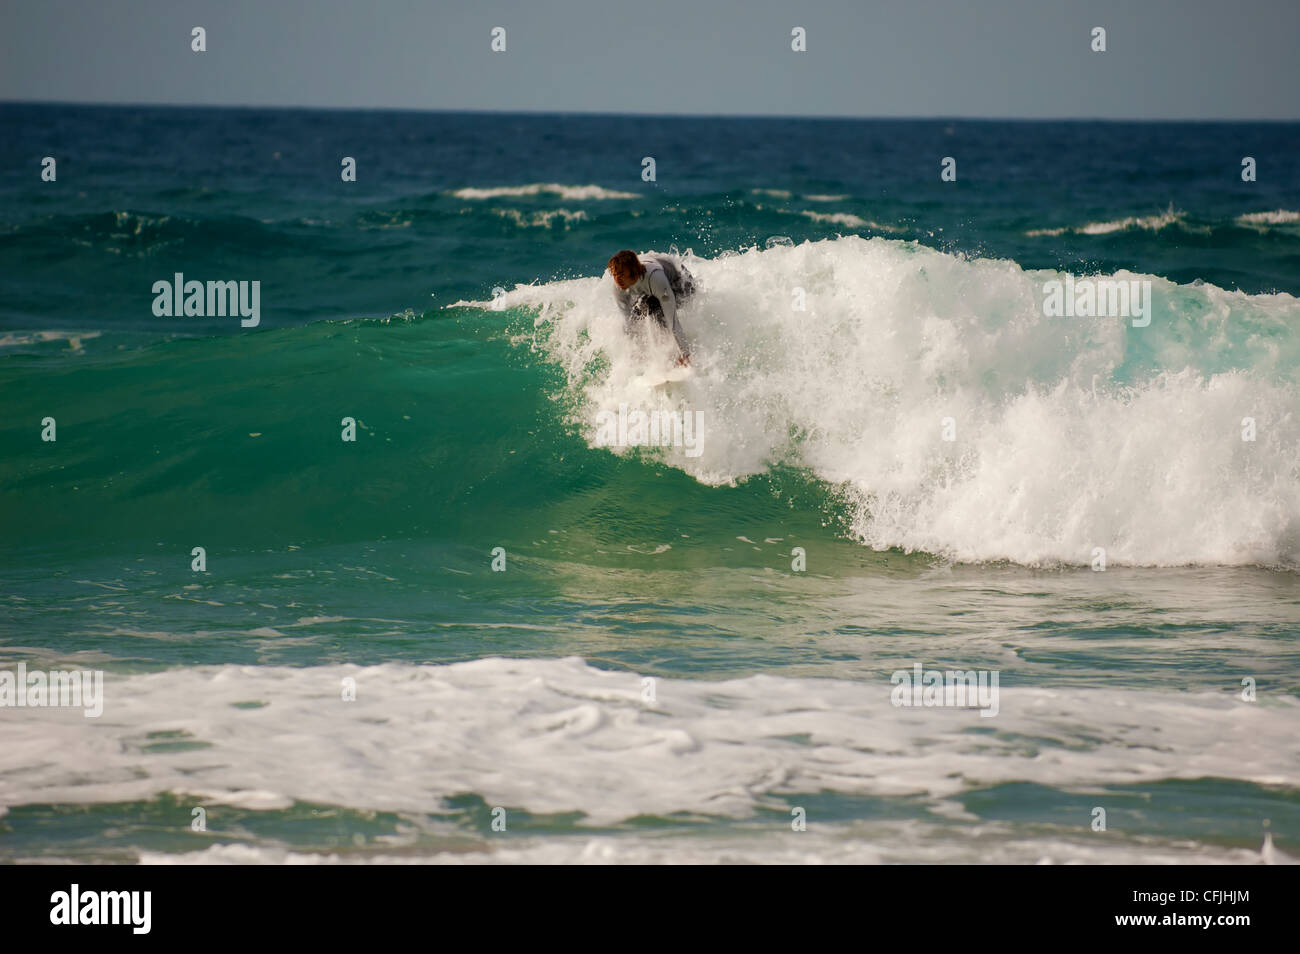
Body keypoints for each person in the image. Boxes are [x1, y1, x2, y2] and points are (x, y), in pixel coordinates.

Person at [607, 250, 695, 365]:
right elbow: (628, 322)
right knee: (638, 311)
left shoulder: (656, 279)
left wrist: (685, 354)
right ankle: (654, 355)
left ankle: (679, 355)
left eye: (621, 274)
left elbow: (672, 320)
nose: (617, 279)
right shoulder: (617, 288)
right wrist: (632, 355)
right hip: (652, 280)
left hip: (680, 281)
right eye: (614, 274)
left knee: (657, 310)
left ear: (633, 271)